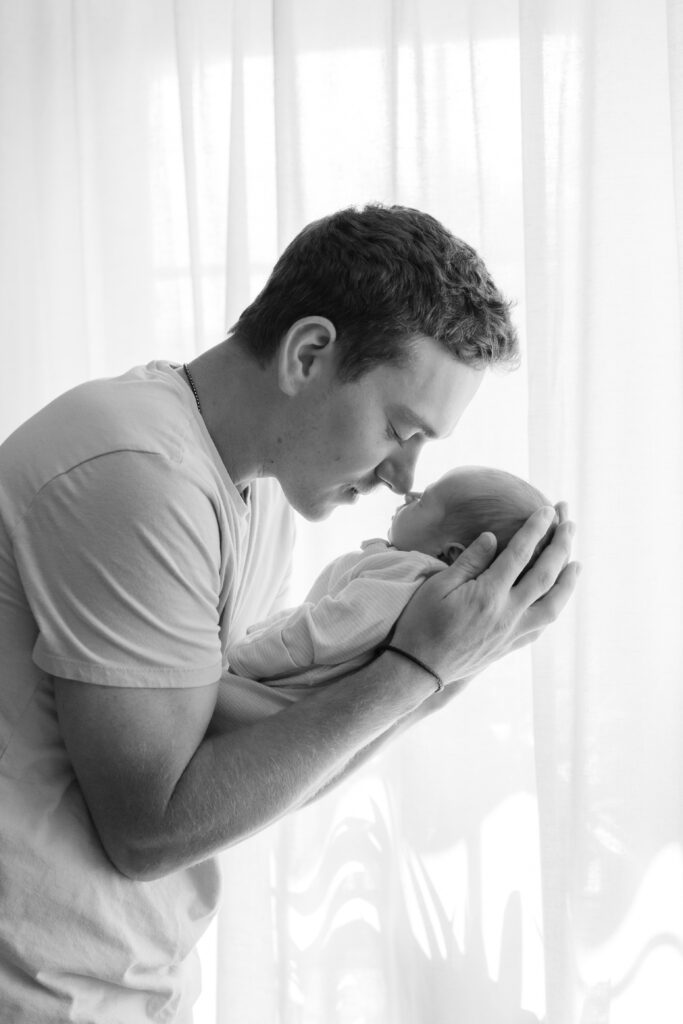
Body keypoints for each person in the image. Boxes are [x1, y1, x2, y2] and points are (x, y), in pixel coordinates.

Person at [0, 204, 578, 1021]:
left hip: (126, 986)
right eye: (398, 429)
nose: (406, 479)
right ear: (309, 353)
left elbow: (242, 764)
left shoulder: (259, 491)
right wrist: (418, 671)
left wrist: (443, 667)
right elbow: (151, 827)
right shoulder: (135, 472)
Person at [227, 466, 557, 694]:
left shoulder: (403, 578)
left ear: (454, 555)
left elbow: (317, 634)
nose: (408, 494)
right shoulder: (407, 580)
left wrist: (238, 663)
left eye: (425, 500)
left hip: (260, 691)